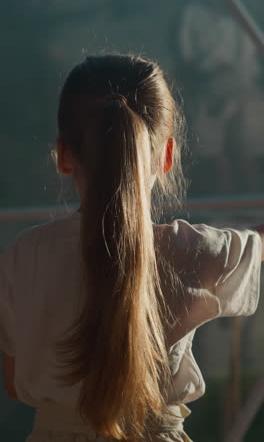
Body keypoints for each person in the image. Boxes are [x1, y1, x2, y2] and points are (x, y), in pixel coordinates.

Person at [0, 54, 263, 442]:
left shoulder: (24, 255)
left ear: (64, 155)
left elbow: (15, 384)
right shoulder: (194, 251)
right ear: (168, 156)